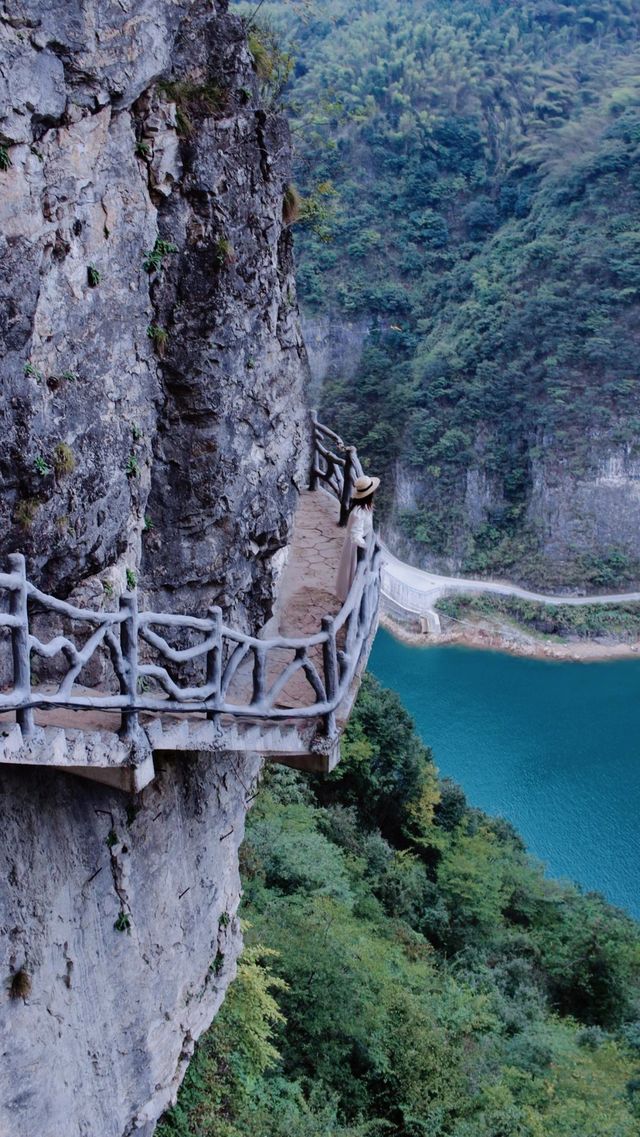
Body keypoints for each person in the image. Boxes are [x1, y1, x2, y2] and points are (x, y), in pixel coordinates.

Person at [335, 474, 380, 602]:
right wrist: (366, 546)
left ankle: (351, 597)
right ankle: (349, 599)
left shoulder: (364, 508)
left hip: (356, 545)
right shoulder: (358, 513)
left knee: (350, 573)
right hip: (354, 548)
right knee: (351, 572)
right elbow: (355, 536)